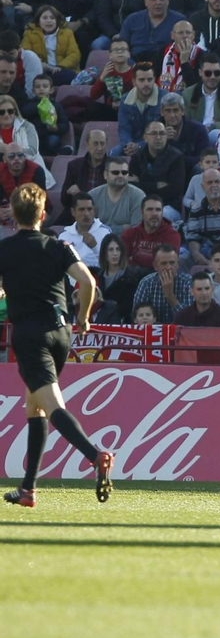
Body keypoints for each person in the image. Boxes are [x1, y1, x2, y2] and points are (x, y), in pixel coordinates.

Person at [0, 185, 115, 508]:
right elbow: (87, 281)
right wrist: (83, 318)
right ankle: (27, 489)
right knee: (34, 406)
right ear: (42, 214)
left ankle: (96, 456)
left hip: (29, 335)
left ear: (14, 214)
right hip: (61, 332)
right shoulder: (58, 246)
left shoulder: (5, 249)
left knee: (51, 406)